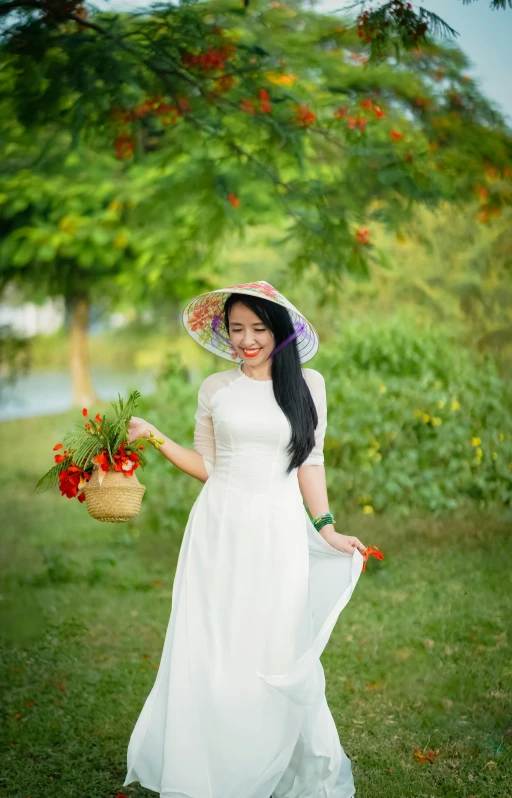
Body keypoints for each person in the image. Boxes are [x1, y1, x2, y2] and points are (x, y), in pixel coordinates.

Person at [123, 280, 368, 798]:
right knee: (215, 644)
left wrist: (327, 528)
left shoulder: (308, 385)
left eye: (258, 328)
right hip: (219, 527)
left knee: (276, 640)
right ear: (225, 331)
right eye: (237, 329)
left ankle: (269, 762)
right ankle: (210, 765)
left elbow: (311, 462)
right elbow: (209, 466)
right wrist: (153, 436)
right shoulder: (215, 389)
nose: (248, 339)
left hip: (278, 530)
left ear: (279, 331)